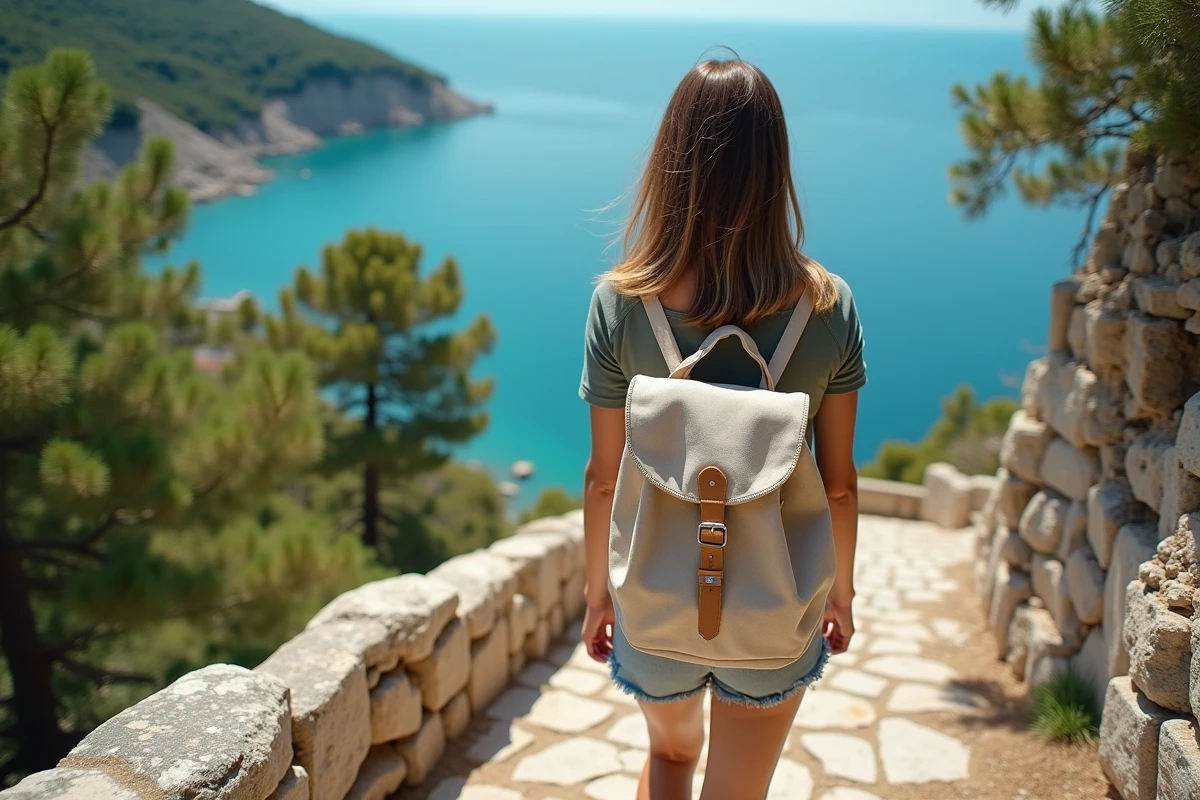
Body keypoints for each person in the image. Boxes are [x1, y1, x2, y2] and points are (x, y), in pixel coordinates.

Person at [577, 54, 866, 800]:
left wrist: (597, 596)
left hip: (656, 596)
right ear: (775, 165)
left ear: (671, 159)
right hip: (777, 602)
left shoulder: (619, 304)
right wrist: (840, 594)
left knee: (669, 759)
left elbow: (603, 476)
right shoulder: (828, 308)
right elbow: (838, 486)